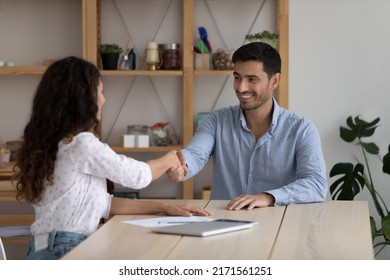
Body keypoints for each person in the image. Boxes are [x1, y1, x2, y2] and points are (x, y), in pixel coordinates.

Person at [14, 56, 211, 260]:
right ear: (83, 99)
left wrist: (163, 207)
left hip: (42, 249)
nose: (104, 100)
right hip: (65, 250)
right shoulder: (82, 144)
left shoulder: (52, 145)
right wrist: (169, 159)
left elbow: (103, 204)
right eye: (100, 92)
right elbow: (138, 176)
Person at [168, 42, 328, 210]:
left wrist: (269, 197)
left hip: (279, 226)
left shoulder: (302, 129)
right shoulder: (216, 121)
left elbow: (316, 184)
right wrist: (183, 166)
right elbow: (195, 154)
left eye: (252, 79)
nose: (241, 88)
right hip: (224, 223)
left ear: (275, 81)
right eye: (237, 78)